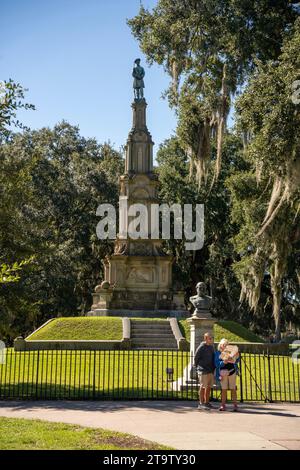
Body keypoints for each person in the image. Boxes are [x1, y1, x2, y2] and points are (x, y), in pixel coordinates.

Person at [215, 338, 240, 412]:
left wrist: (237, 356)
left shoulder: (231, 351)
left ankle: (235, 405)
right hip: (223, 373)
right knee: (224, 389)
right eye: (223, 345)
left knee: (233, 389)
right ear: (220, 345)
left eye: (226, 345)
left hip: (232, 371)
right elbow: (216, 364)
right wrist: (223, 362)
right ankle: (223, 405)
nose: (225, 346)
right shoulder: (218, 353)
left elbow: (236, 360)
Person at [194, 332, 215, 410]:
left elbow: (213, 357)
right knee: (203, 386)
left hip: (210, 370)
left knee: (209, 387)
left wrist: (213, 368)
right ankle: (201, 403)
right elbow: (196, 358)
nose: (211, 339)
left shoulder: (211, 347)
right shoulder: (201, 347)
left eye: (211, 338)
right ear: (205, 339)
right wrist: (198, 367)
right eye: (210, 338)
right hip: (202, 370)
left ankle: (207, 402)